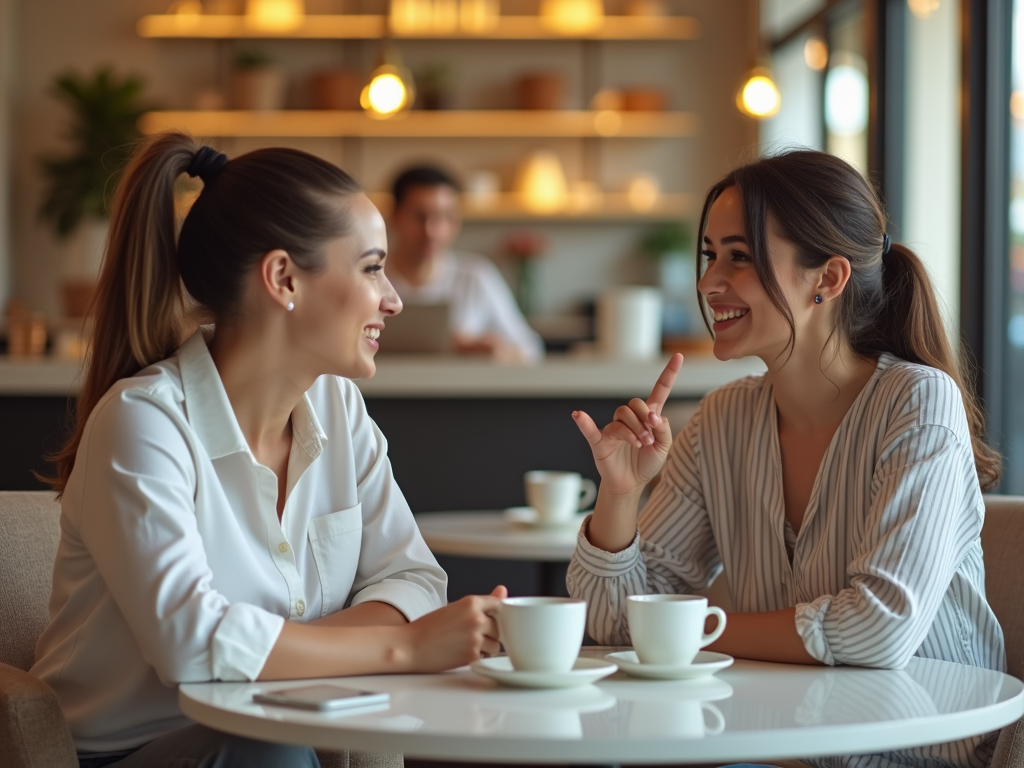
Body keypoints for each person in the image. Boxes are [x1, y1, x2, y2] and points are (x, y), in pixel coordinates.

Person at [31, 134, 506, 768]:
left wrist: (272, 648)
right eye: (371, 268)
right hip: (128, 753)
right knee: (269, 749)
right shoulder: (142, 423)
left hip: (285, 728)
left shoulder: (339, 407)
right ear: (283, 278)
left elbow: (413, 577)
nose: (393, 298)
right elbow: (194, 647)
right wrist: (406, 649)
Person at [567, 150, 1005, 768]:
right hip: (775, 746)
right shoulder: (722, 420)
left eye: (739, 257)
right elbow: (613, 625)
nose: (707, 282)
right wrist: (619, 494)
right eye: (710, 256)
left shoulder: (917, 403)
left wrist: (685, 629)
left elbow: (878, 628)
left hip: (912, 752)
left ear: (827, 280)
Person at [385, 165, 544, 363]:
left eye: (443, 216)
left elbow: (531, 350)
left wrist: (497, 350)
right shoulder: (371, 276)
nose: (431, 231)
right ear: (395, 216)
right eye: (419, 217)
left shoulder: (476, 276)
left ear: (455, 222)